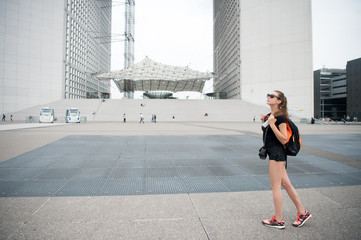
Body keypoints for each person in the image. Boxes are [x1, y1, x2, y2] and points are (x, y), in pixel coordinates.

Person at [261, 90, 311, 229]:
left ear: (279, 101)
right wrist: (266, 122)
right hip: (275, 154)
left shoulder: (281, 117)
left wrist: (271, 124)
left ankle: (278, 220)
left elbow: (284, 138)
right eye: (268, 95)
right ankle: (303, 213)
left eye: (272, 96)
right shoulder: (272, 115)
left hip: (277, 156)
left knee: (275, 186)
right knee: (287, 185)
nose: (268, 97)